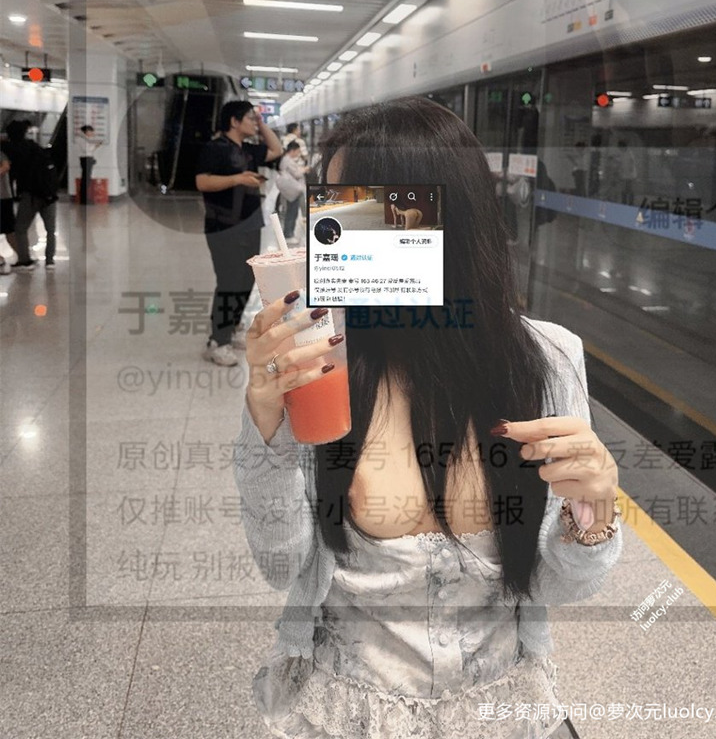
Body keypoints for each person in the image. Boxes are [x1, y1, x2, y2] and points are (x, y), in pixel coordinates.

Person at [233, 97, 621, 739]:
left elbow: (558, 585)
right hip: (347, 711)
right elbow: (281, 568)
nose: (330, 236)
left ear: (446, 225)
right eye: (331, 207)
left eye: (361, 212)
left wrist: (594, 514)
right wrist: (265, 427)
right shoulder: (317, 361)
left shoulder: (547, 361)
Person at [196, 101, 282, 367]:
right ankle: (217, 341)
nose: (253, 123)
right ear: (234, 121)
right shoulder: (215, 148)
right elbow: (202, 181)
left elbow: (276, 149)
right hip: (223, 226)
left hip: (250, 223)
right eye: (249, 118)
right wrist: (238, 179)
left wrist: (261, 122)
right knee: (229, 281)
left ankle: (232, 327)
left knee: (246, 279)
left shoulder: (249, 149)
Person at [3, 119, 58, 270]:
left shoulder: (11, 148)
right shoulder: (35, 147)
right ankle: (50, 261)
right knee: (50, 230)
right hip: (49, 194)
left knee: (20, 228)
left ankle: (24, 260)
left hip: (31, 195)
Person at [277, 141, 308, 244]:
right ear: (293, 150)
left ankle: (289, 233)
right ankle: (288, 234)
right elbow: (297, 174)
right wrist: (304, 170)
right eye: (297, 151)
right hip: (292, 190)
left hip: (290, 190)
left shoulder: (286, 159)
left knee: (292, 211)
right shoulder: (288, 160)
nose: (298, 154)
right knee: (292, 212)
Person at [0, 146, 18, 274]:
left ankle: (21, 256)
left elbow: (6, 166)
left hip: (4, 197)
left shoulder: (1, 154)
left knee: (9, 229)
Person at [76, 124, 101, 205]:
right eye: (91, 132)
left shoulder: (85, 139)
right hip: (85, 159)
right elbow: (86, 149)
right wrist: (96, 146)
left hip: (88, 159)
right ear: (87, 131)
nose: (92, 133)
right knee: (86, 179)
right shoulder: (81, 139)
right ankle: (84, 199)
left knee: (87, 179)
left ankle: (85, 198)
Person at [617, 140, 637, 206]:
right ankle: (624, 203)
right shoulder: (621, 153)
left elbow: (632, 162)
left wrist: (630, 171)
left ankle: (631, 204)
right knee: (623, 189)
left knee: (630, 189)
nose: (620, 149)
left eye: (620, 147)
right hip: (624, 174)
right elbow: (620, 162)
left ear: (623, 146)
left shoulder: (629, 152)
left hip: (630, 175)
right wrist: (620, 170)